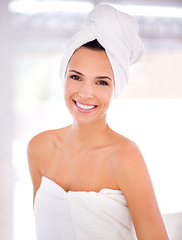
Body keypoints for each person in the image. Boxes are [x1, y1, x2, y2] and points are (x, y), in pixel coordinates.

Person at [27, 4, 169, 240]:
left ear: (115, 89)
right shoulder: (38, 147)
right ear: (63, 77)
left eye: (101, 82)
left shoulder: (125, 157)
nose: (86, 93)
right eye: (76, 77)